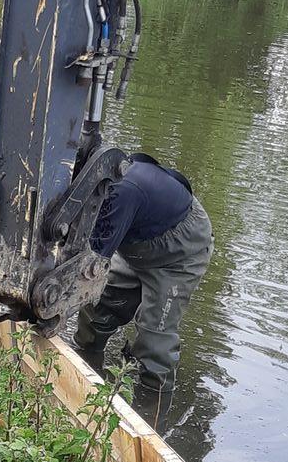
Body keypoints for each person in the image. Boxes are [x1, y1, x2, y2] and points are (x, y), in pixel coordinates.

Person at [73, 153, 212, 419]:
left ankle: (151, 418)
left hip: (179, 252)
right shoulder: (93, 189)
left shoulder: (120, 194)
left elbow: (89, 266)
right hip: (136, 243)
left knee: (154, 341)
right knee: (96, 312)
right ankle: (83, 383)